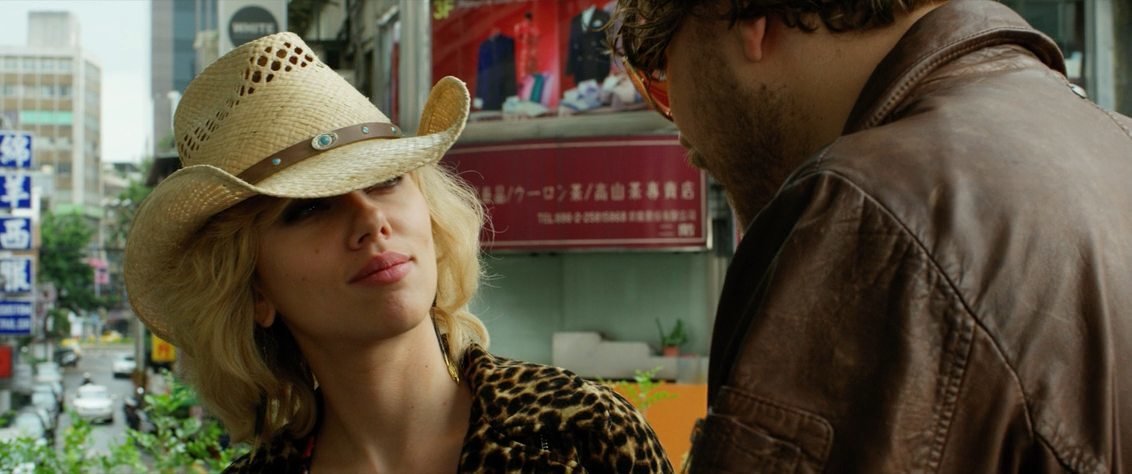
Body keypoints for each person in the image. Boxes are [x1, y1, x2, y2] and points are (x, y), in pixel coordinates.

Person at [610, 0, 1132, 471]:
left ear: (744, 16)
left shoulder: (862, 210)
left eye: (658, 70)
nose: (680, 129)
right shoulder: (1117, 142)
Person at [124, 32, 672, 473]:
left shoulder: (580, 432)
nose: (370, 220)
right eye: (310, 209)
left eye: (386, 180)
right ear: (254, 290)